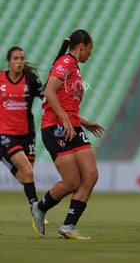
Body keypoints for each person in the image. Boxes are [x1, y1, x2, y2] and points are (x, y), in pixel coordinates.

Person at [31, 29, 105, 240]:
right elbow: (49, 93)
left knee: (91, 175)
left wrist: (84, 122)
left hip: (73, 127)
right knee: (72, 182)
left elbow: (65, 102)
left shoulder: (75, 67)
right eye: (90, 48)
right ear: (81, 46)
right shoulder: (65, 62)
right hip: (55, 128)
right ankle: (40, 207)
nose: (91, 53)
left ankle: (68, 226)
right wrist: (65, 119)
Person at [0, 46, 45, 228]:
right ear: (9, 62)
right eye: (16, 58)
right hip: (6, 132)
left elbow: (46, 99)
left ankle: (4, 158)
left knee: (24, 176)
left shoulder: (31, 79)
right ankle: (36, 210)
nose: (20, 62)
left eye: (22, 58)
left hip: (27, 133)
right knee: (27, 170)